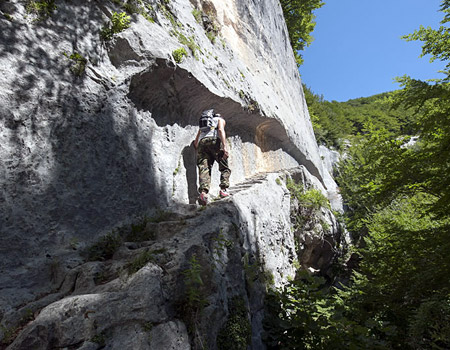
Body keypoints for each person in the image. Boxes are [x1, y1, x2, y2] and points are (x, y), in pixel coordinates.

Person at [194, 109, 231, 205]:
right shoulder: (220, 120)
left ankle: (203, 193)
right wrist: (224, 146)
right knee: (224, 166)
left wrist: (199, 148)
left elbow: (196, 142)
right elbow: (220, 130)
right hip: (215, 141)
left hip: (202, 143)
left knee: (204, 169)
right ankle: (223, 190)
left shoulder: (203, 125)